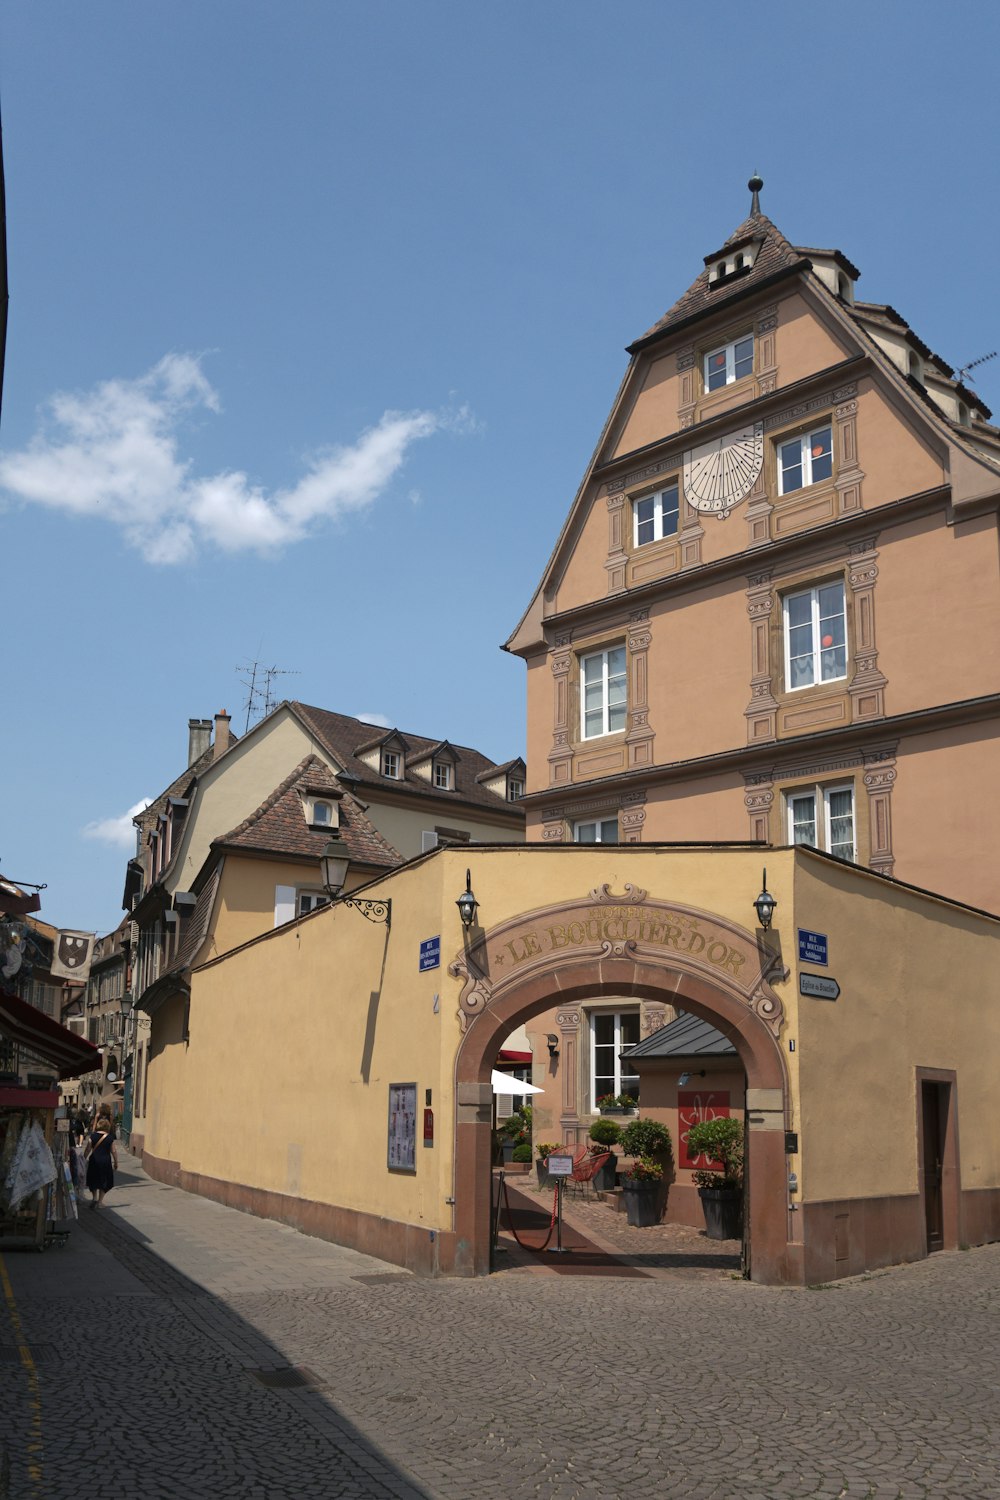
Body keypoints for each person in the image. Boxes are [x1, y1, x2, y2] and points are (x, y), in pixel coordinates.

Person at [83, 1113, 118, 1209]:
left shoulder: (93, 1136)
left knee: (93, 1178)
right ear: (107, 1126)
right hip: (105, 1161)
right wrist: (116, 1162)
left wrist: (84, 1158)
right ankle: (100, 1202)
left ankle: (94, 1198)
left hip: (94, 1160)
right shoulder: (110, 1138)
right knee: (104, 1180)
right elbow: (113, 1151)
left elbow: (88, 1149)